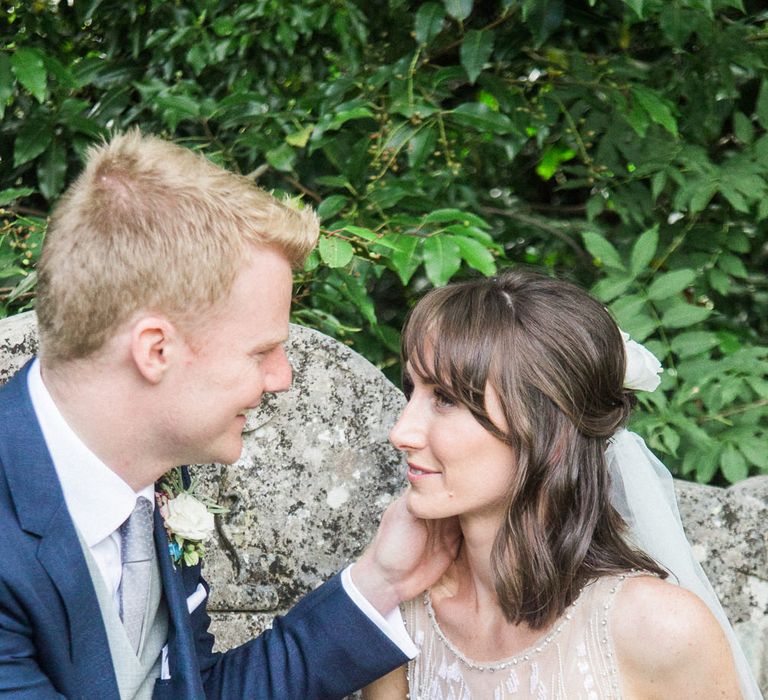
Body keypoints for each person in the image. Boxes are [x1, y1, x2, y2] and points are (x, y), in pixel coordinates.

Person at [0, 130, 460, 699]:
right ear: (155, 351)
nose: (283, 377)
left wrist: (379, 583)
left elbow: (194, 691)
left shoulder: (156, 478)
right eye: (262, 351)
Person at [364, 270, 761, 699]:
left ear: (548, 432)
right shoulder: (401, 613)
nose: (401, 432)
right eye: (412, 389)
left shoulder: (659, 628)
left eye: (445, 398)